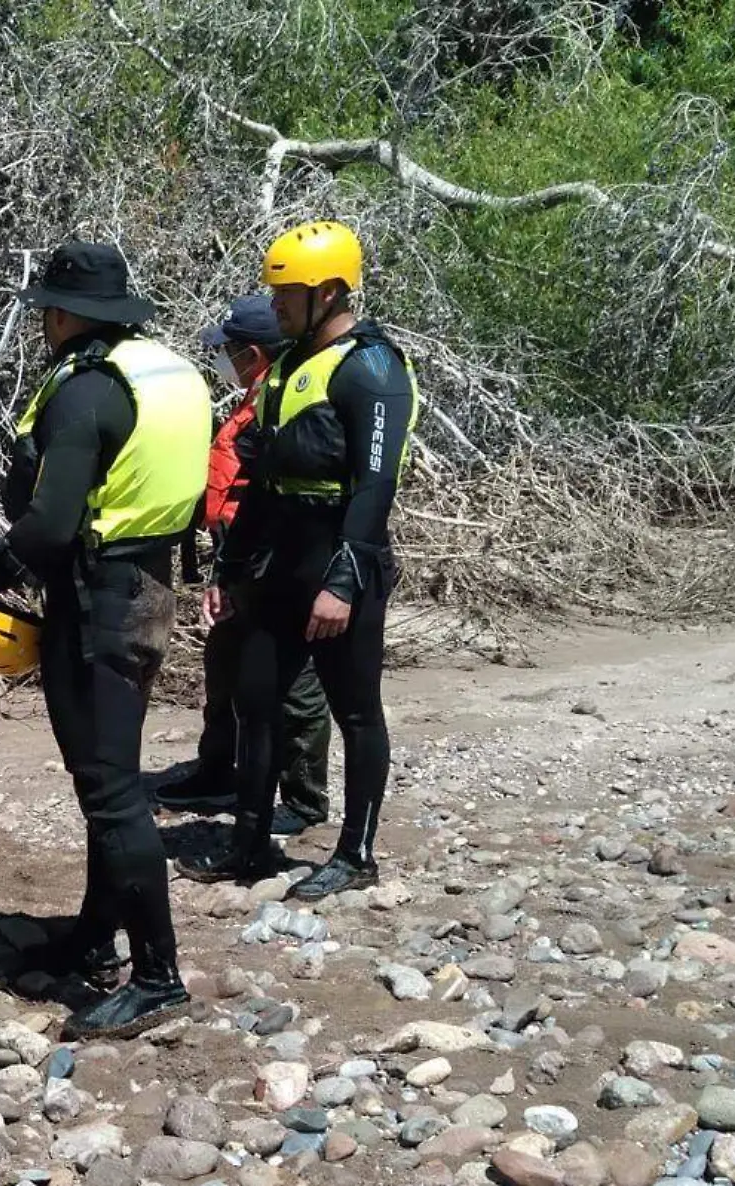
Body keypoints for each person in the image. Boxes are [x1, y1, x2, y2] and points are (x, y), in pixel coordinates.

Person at [0, 240, 211, 1040]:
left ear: (67, 312)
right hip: (144, 591)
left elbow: (45, 532)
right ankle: (94, 938)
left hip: (99, 605)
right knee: (102, 784)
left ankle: (156, 978)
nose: (42, 318)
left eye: (47, 305)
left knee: (112, 792)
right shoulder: (161, 369)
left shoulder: (85, 394)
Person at [176, 221, 420, 901]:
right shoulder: (284, 367)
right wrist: (229, 572)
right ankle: (248, 844)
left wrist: (342, 582)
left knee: (357, 713)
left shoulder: (373, 368)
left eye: (289, 293)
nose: (276, 304)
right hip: (280, 558)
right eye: (276, 291)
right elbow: (262, 487)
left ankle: (356, 853)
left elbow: (376, 486)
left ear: (332, 293)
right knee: (256, 701)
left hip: (343, 562)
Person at [158, 296, 333, 836]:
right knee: (225, 664)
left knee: (295, 683)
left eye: (228, 350)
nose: (222, 358)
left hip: (278, 562)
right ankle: (219, 771)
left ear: (253, 354)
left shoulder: (282, 405)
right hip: (238, 559)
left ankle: (303, 800)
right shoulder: (251, 402)